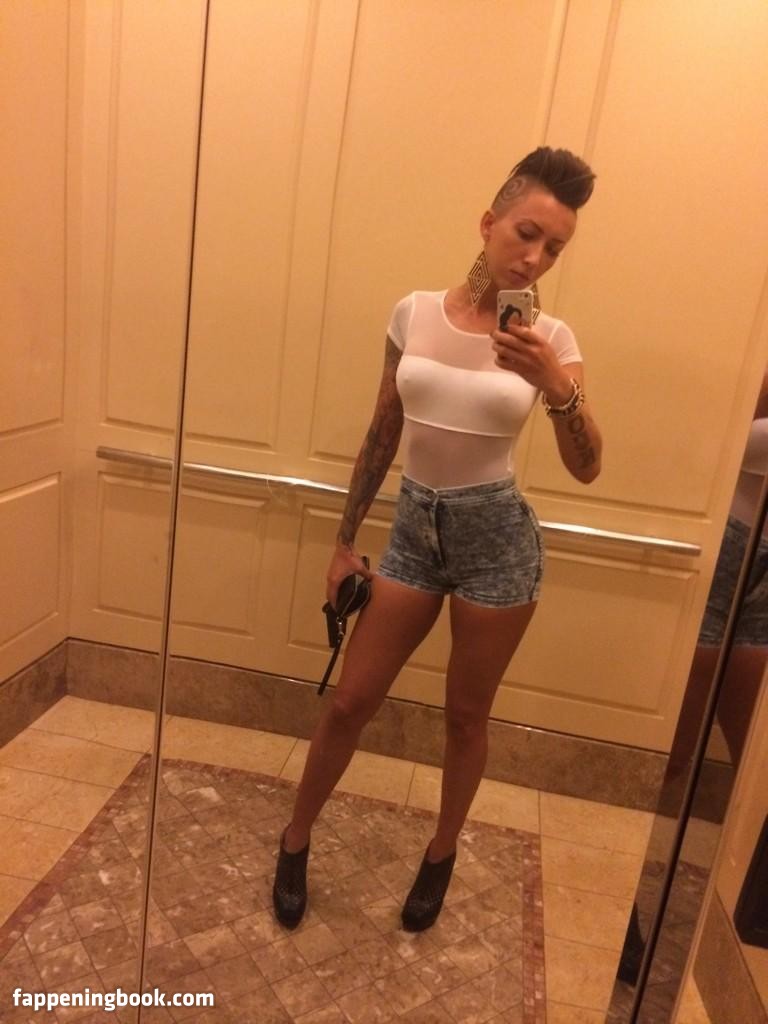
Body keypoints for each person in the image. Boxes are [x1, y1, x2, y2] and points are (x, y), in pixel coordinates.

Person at [272, 146, 603, 932]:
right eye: (526, 233)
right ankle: (294, 840)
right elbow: (381, 431)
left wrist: (558, 388)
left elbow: (587, 466)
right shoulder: (413, 313)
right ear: (489, 222)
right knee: (351, 700)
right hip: (414, 533)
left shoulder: (554, 339)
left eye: (554, 248)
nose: (535, 256)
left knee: (465, 717)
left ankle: (441, 853)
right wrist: (344, 541)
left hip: (498, 543)